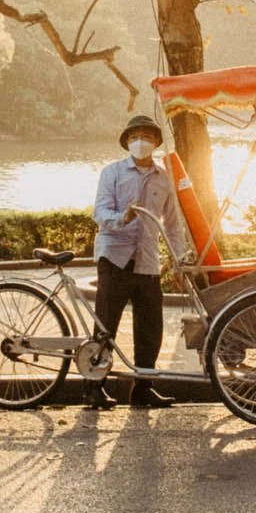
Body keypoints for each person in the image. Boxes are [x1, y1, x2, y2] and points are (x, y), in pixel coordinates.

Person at [87, 113, 191, 410]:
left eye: (145, 137)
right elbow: (100, 212)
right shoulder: (113, 173)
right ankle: (94, 386)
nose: (139, 142)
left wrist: (179, 259)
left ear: (156, 142)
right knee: (106, 324)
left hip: (147, 258)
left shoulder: (164, 179)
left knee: (151, 325)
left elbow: (172, 224)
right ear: (127, 142)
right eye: (134, 137)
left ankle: (143, 388)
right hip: (115, 257)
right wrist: (123, 217)